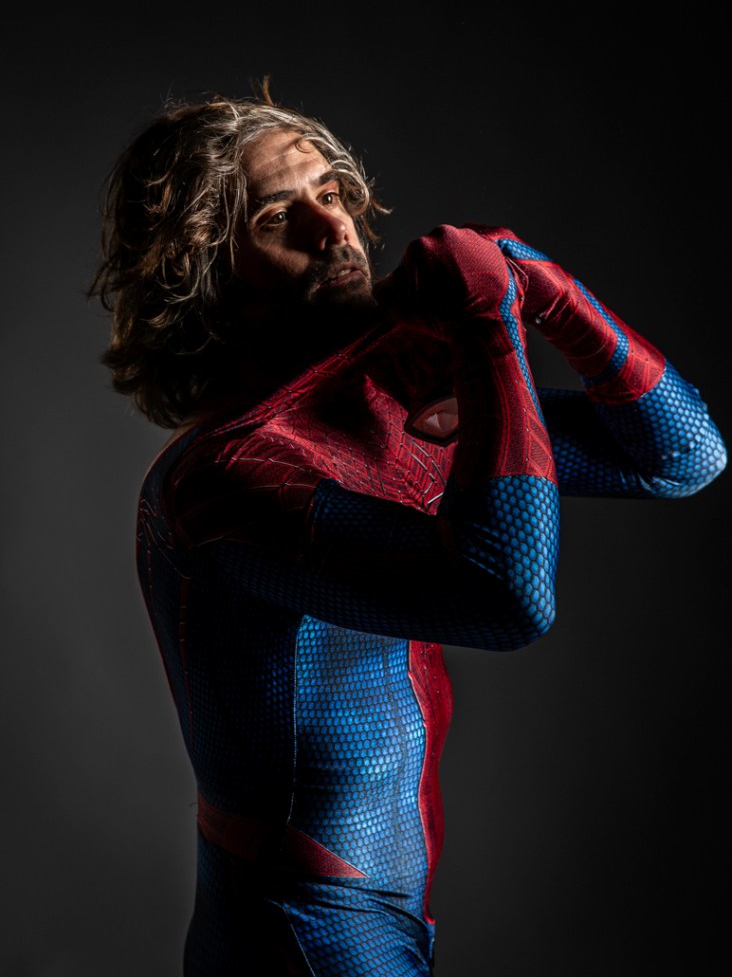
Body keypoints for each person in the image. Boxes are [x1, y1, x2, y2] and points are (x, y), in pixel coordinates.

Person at [87, 85, 727, 977]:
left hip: (378, 916)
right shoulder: (223, 480)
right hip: (303, 930)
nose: (333, 228)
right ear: (201, 272)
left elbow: (682, 458)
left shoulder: (379, 398)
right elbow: (505, 600)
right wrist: (488, 326)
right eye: (277, 216)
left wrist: (549, 291)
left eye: (331, 193)